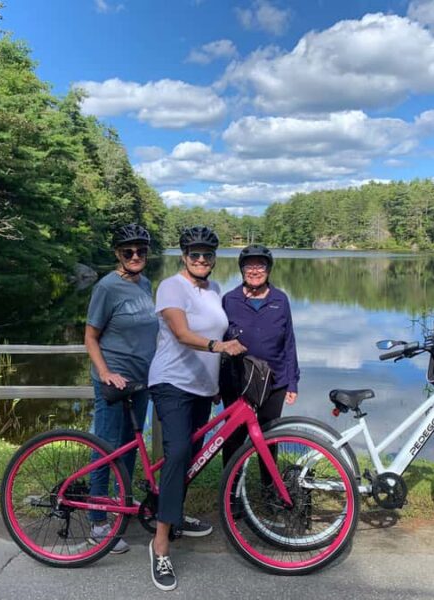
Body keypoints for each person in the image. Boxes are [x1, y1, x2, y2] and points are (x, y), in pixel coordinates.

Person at [147, 226, 246, 591]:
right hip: (171, 383)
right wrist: (221, 349)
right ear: (184, 256)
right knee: (177, 455)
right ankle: (160, 546)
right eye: (194, 254)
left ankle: (172, 515)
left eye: (207, 254)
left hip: (203, 388)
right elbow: (182, 333)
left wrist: (216, 382)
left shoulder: (215, 289)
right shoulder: (172, 286)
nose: (201, 259)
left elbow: (217, 331)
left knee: (191, 458)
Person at [84, 223, 157, 554]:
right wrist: (104, 373)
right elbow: (90, 337)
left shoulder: (145, 284)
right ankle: (98, 521)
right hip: (114, 383)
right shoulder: (106, 287)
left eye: (141, 250)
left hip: (140, 383)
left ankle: (120, 498)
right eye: (128, 251)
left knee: (129, 447)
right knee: (107, 448)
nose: (135, 256)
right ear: (117, 254)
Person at [220, 244, 300, 470]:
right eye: (249, 266)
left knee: (269, 437)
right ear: (242, 270)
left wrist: (292, 381)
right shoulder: (229, 300)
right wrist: (217, 384)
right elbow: (220, 343)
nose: (255, 271)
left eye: (260, 266)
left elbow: (289, 342)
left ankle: (269, 490)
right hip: (237, 383)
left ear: (269, 269)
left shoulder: (280, 300)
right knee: (234, 437)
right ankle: (232, 490)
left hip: (274, 382)